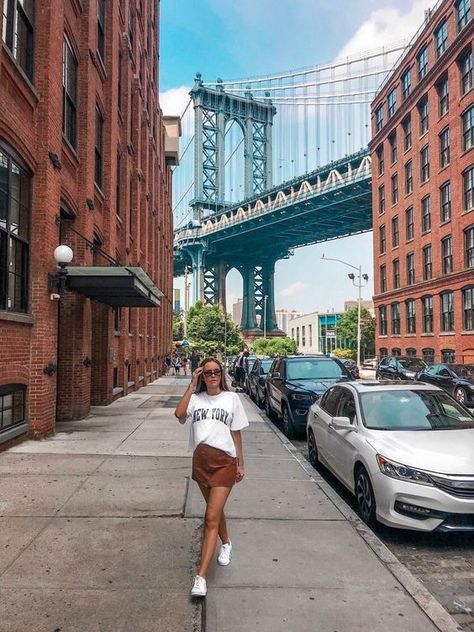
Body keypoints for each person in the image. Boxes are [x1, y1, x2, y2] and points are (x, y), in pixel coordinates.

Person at [174, 357, 249, 598]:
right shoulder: (196, 399)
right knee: (214, 511)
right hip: (202, 462)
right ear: (202, 376)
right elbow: (179, 414)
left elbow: (235, 432)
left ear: (222, 375)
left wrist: (240, 463)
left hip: (224, 463)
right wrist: (190, 384)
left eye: (216, 372)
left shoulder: (232, 399)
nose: (213, 376)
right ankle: (226, 543)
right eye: (208, 373)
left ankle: (200, 577)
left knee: (210, 517)